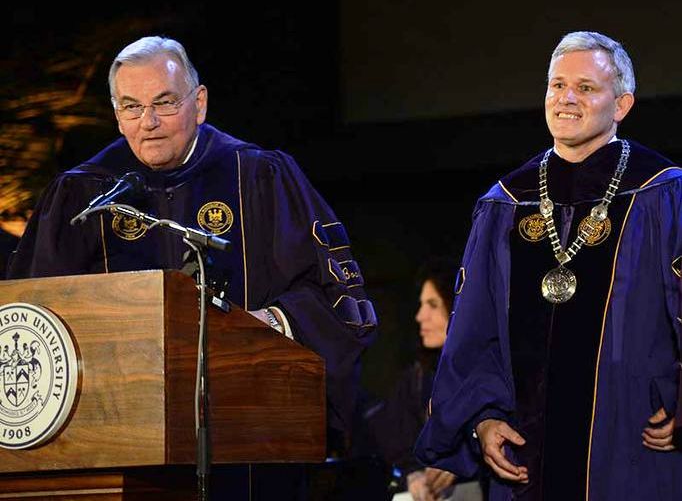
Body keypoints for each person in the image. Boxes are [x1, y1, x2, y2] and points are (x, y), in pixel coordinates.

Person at [6, 36, 377, 497]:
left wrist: (267, 324)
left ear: (199, 104)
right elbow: (28, 324)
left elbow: (337, 300)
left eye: (165, 102)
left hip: (246, 442)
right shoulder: (81, 196)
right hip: (115, 451)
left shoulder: (259, 176)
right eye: (132, 107)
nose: (150, 122)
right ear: (116, 114)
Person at [414, 31, 682, 501]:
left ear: (621, 105)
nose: (566, 99)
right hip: (526, 456)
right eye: (557, 85)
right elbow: (474, 332)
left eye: (585, 88)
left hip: (631, 446)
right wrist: (483, 418)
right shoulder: (505, 203)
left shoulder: (663, 193)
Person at [356, 257, 485, 501]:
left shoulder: (489, 377)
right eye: (421, 305)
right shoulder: (417, 378)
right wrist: (412, 474)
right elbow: (391, 439)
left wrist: (466, 459)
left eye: (433, 304)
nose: (420, 316)